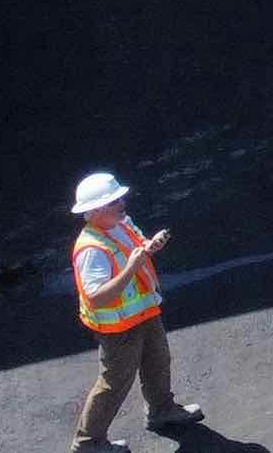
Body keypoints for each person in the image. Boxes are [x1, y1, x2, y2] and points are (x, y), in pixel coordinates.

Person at [66, 171, 205, 449]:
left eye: (120, 197)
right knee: (114, 383)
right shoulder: (91, 249)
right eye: (113, 201)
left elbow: (136, 251)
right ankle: (88, 442)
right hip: (119, 328)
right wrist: (132, 267)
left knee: (158, 362)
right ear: (93, 211)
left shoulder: (122, 224)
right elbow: (96, 298)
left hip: (144, 313)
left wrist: (149, 248)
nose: (122, 203)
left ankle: (162, 411)